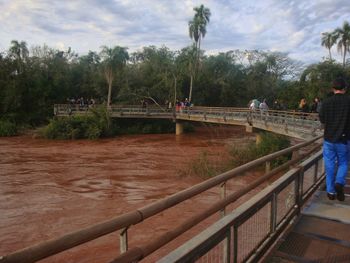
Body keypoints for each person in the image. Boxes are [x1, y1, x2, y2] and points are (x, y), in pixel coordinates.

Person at [319, 78, 350, 201]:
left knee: (330, 164)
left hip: (329, 139)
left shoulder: (326, 102)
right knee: (343, 162)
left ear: (333, 89)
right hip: (344, 139)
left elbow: (322, 119)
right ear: (345, 88)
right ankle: (339, 182)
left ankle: (330, 192)